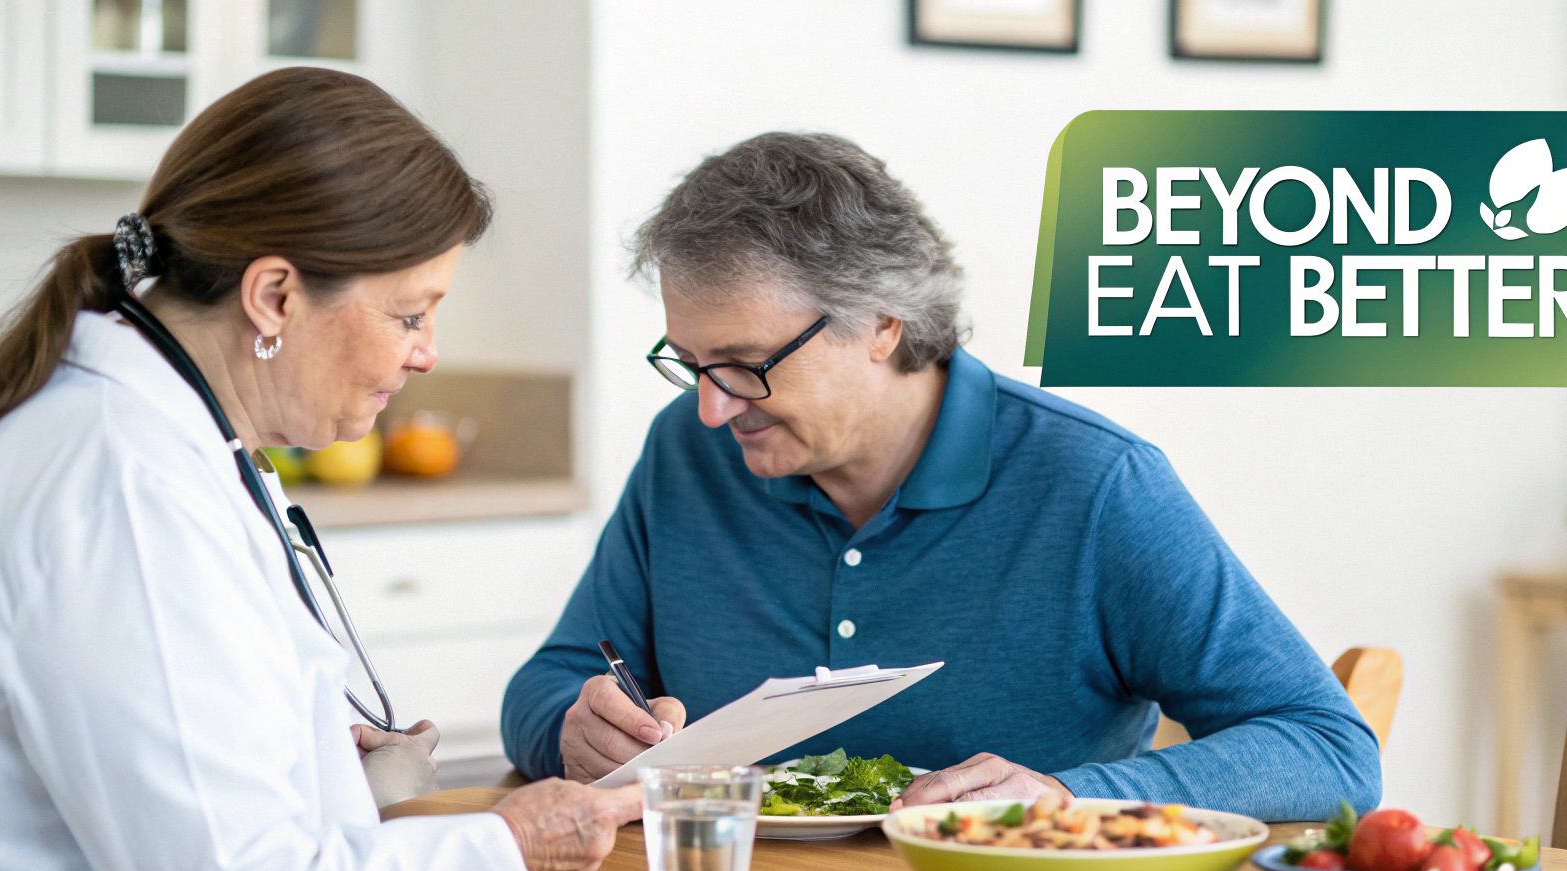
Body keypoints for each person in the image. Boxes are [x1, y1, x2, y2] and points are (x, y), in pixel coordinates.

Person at [0, 68, 638, 871]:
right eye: (409, 312)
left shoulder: (178, 445)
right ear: (274, 295)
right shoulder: (122, 482)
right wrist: (506, 846)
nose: (428, 349)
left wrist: (308, 749)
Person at [501, 132, 1381, 820]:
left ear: (883, 324)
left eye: (744, 364)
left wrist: (1071, 799)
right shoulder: (686, 456)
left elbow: (1329, 748)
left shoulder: (1094, 485)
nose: (712, 409)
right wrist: (573, 731)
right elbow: (557, 678)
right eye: (689, 362)